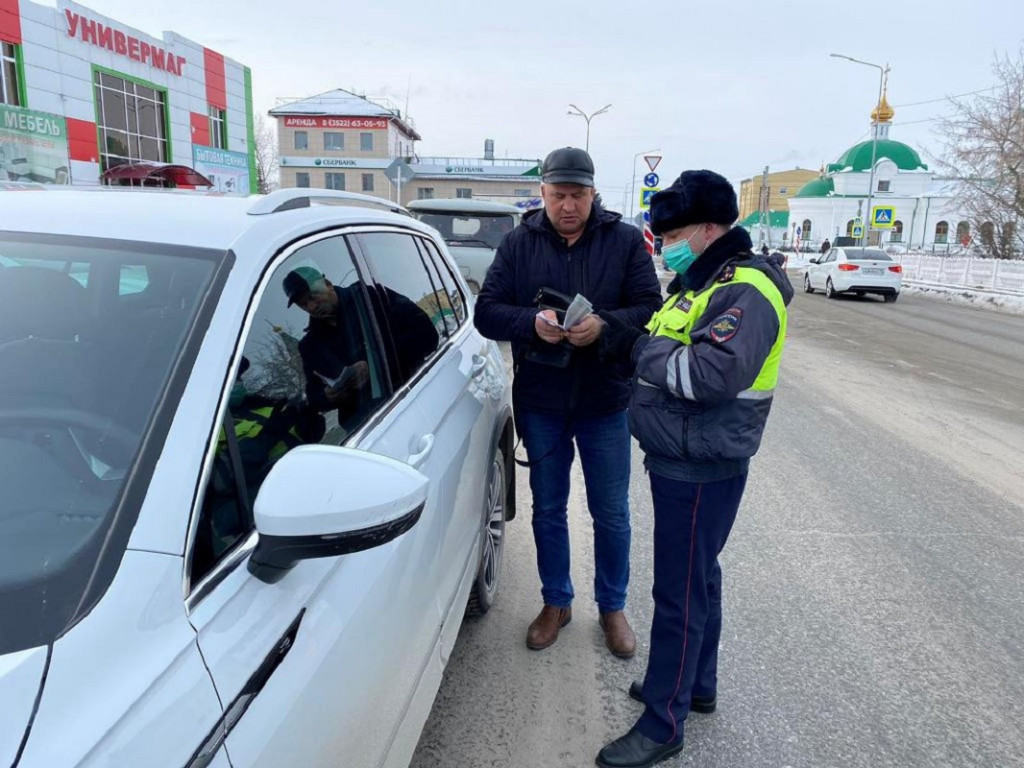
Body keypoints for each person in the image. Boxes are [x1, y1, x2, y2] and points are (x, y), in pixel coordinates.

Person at [596, 170, 793, 768]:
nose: (665, 243)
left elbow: (708, 377)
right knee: (699, 576)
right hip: (682, 454)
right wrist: (626, 336)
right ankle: (693, 685)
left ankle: (663, 721)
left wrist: (636, 350)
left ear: (711, 228)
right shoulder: (699, 281)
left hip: (703, 461)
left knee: (678, 590)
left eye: (675, 231)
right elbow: (668, 342)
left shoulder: (746, 289)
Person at [474, 146, 662, 658]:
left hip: (604, 398)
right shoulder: (518, 244)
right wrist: (530, 325)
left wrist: (605, 327)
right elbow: (487, 312)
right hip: (542, 401)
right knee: (549, 510)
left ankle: (612, 607)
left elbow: (651, 307)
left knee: (611, 512)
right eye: (558, 195)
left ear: (593, 193)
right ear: (543, 194)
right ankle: (556, 602)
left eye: (578, 195)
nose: (568, 205)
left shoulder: (624, 241)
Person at [283, 266, 439, 429]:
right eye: (303, 305)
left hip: (413, 397)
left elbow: (426, 334)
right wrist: (328, 396)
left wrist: (373, 365)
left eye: (313, 297)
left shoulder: (370, 298)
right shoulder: (310, 346)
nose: (311, 307)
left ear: (327, 283)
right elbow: (314, 396)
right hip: (365, 429)